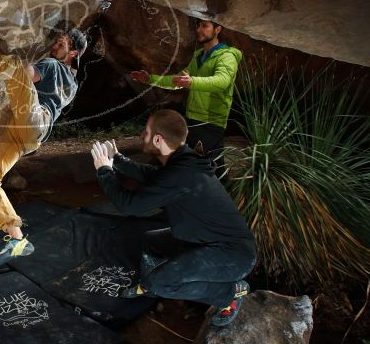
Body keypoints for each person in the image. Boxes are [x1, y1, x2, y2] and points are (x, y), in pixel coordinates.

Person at [90, 109, 256, 326]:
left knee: (160, 283)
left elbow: (128, 205)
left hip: (231, 255)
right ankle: (151, 285)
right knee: (151, 241)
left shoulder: (181, 174)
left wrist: (104, 171)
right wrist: (117, 160)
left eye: (146, 132)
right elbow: (152, 175)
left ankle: (229, 293)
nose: (142, 135)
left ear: (158, 139)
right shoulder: (183, 161)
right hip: (206, 241)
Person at [0, 24, 87, 266]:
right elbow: (15, 79)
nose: (54, 46)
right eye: (56, 41)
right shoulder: (73, 84)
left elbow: (23, 72)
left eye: (61, 44)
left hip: (35, 119)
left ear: (74, 53)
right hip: (27, 134)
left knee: (16, 64)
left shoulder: (53, 65)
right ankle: (18, 240)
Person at [130, 20, 242, 177]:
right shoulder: (199, 56)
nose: (199, 30)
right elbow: (177, 81)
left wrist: (192, 82)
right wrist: (149, 79)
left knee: (211, 168)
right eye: (198, 26)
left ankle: (221, 197)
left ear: (217, 29)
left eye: (204, 26)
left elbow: (222, 82)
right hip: (193, 119)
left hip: (210, 122)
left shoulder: (227, 56)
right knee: (194, 164)